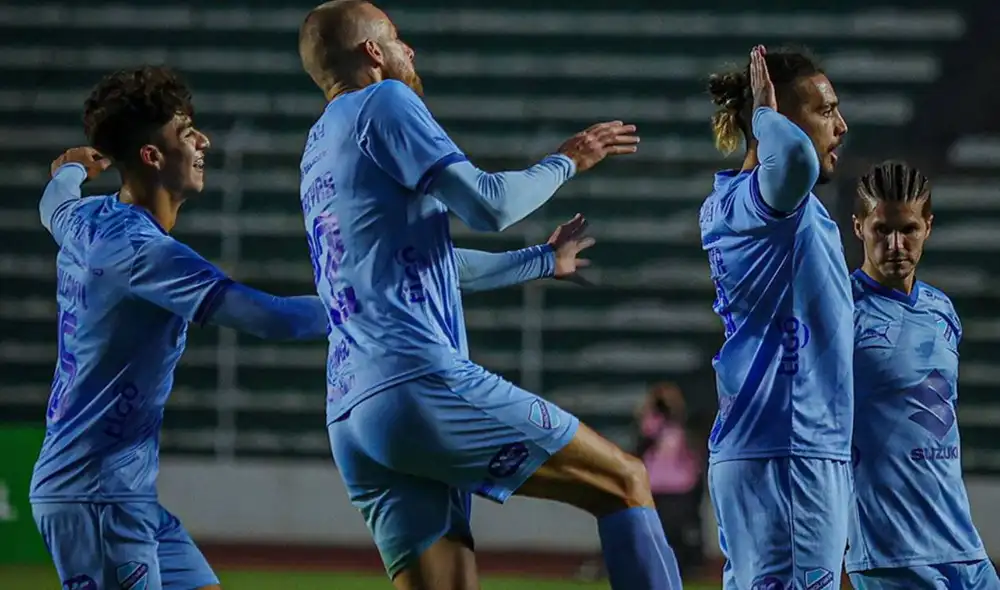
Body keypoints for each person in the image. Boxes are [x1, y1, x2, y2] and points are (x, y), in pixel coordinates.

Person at [297, 2, 682, 589]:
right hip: (415, 382)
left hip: (351, 412)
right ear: (373, 52)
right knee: (624, 480)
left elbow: (425, 265)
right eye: (398, 38)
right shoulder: (385, 102)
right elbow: (490, 204)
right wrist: (568, 160)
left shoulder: (318, 148)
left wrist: (541, 260)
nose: (411, 51)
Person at [30, 66, 331, 590]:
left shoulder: (84, 219)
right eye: (186, 131)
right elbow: (274, 318)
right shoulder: (146, 254)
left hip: (121, 491)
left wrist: (71, 169)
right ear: (152, 156)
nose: (203, 141)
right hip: (96, 494)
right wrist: (378, 303)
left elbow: (51, 204)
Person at [697, 45, 851, 590]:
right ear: (782, 119)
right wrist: (765, 116)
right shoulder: (773, 193)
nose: (841, 124)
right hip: (789, 447)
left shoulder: (731, 201)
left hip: (772, 445)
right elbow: (797, 161)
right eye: (825, 110)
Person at [847, 160, 999, 589]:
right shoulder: (840, 312)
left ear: (927, 227)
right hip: (890, 552)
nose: (895, 244)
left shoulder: (942, 310)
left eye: (908, 229)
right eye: (882, 230)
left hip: (962, 545)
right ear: (859, 228)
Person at [636, 383, 705, 579]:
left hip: (680, 486)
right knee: (656, 531)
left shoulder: (685, 425)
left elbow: (695, 450)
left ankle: (684, 569)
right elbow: (643, 438)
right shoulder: (653, 424)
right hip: (656, 484)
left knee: (678, 531)